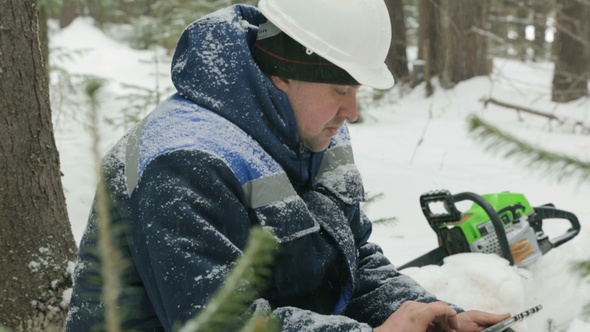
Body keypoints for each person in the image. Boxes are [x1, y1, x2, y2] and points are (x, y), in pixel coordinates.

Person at [66, 0, 511, 331]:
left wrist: (430, 316)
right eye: (340, 90)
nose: (352, 111)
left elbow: (354, 259)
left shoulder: (314, 130)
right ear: (283, 73)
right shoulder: (183, 162)